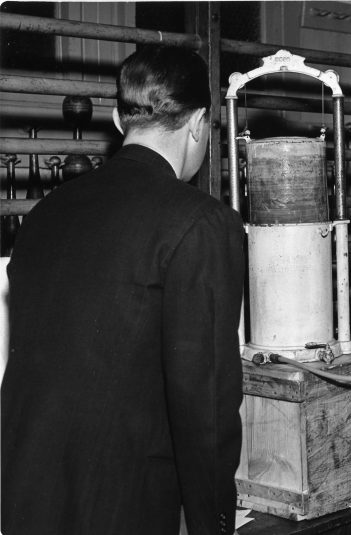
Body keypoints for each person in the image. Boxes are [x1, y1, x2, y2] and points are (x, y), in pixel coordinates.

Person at [1, 46, 245, 535]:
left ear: (118, 119)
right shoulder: (203, 222)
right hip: (124, 507)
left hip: (23, 494)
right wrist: (214, 524)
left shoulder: (46, 212)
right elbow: (206, 409)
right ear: (199, 122)